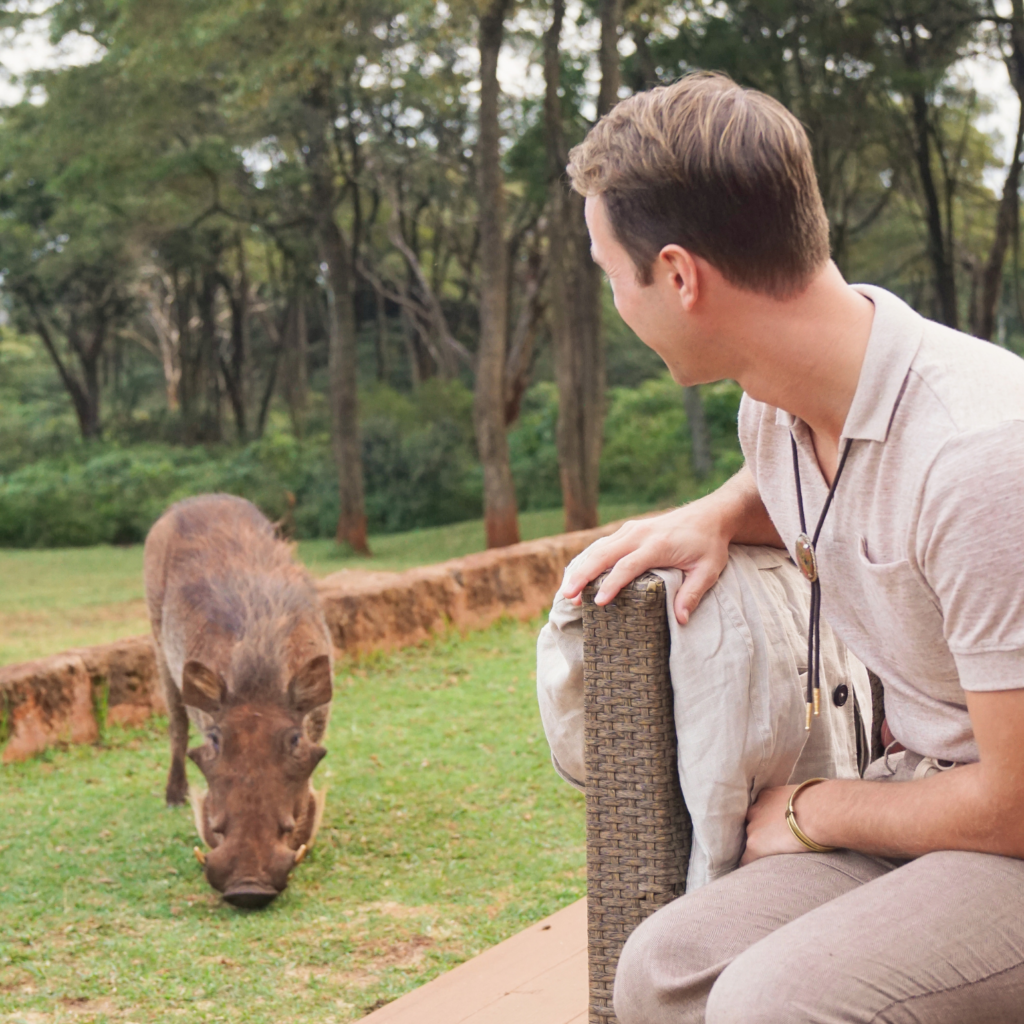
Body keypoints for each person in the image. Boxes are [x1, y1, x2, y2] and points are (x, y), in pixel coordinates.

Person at [560, 71, 1024, 1023]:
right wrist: (722, 512)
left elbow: (1018, 801)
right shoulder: (773, 418)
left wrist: (820, 809)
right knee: (664, 969)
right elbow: (856, 492)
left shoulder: (982, 458)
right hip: (931, 801)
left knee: (774, 1004)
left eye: (614, 275)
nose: (618, 302)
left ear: (680, 276)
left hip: (1004, 822)